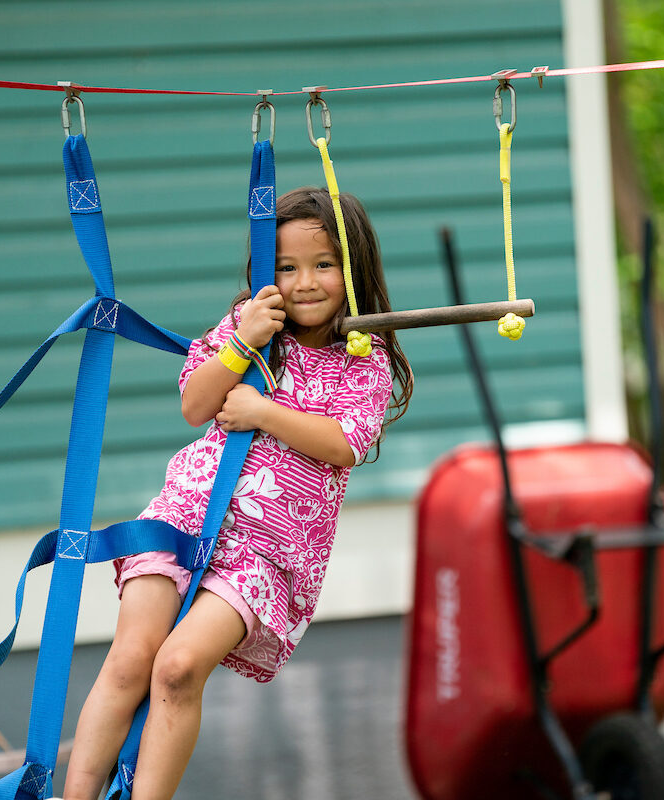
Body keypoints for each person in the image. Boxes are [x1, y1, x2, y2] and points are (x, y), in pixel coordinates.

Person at [62, 187, 413, 800]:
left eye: (324, 264)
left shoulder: (365, 359)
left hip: (268, 552)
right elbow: (196, 404)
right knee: (130, 660)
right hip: (187, 515)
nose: (305, 282)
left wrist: (262, 409)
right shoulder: (247, 325)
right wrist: (243, 341)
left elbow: (343, 443)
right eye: (286, 266)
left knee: (176, 668)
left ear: (354, 268)